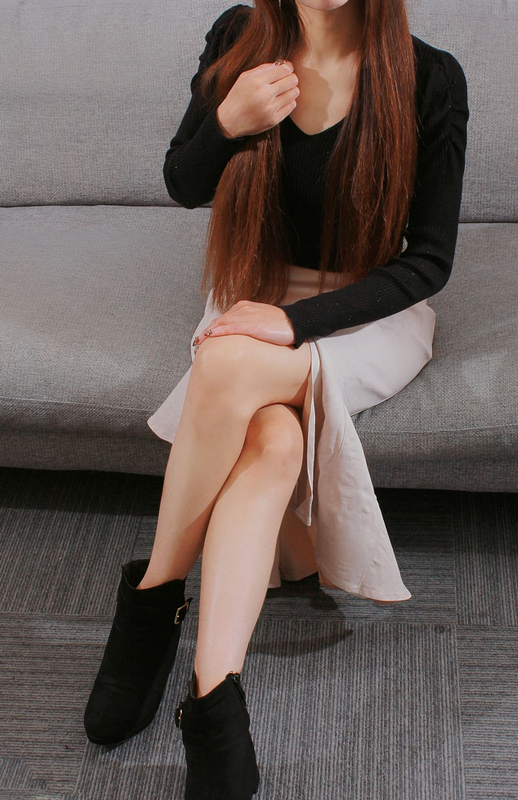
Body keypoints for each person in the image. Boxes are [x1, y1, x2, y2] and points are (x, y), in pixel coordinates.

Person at [83, 1, 469, 798]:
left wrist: (293, 325)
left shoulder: (429, 77)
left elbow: (428, 261)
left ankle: (152, 603)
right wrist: (227, 122)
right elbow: (181, 182)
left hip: (368, 312)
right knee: (274, 444)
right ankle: (212, 699)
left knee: (227, 362)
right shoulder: (239, 38)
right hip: (256, 287)